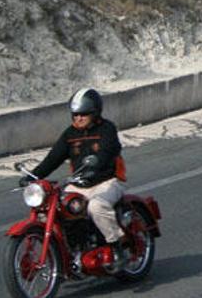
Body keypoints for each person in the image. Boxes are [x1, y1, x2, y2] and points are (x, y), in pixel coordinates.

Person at [20, 88, 128, 269]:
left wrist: (96, 165)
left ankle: (117, 248)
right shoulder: (70, 134)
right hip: (78, 184)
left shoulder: (107, 129)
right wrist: (33, 176)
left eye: (83, 114)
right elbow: (53, 159)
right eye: (75, 114)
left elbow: (109, 151)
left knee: (96, 206)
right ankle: (69, 251)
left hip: (106, 182)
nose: (78, 118)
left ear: (95, 113)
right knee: (50, 208)